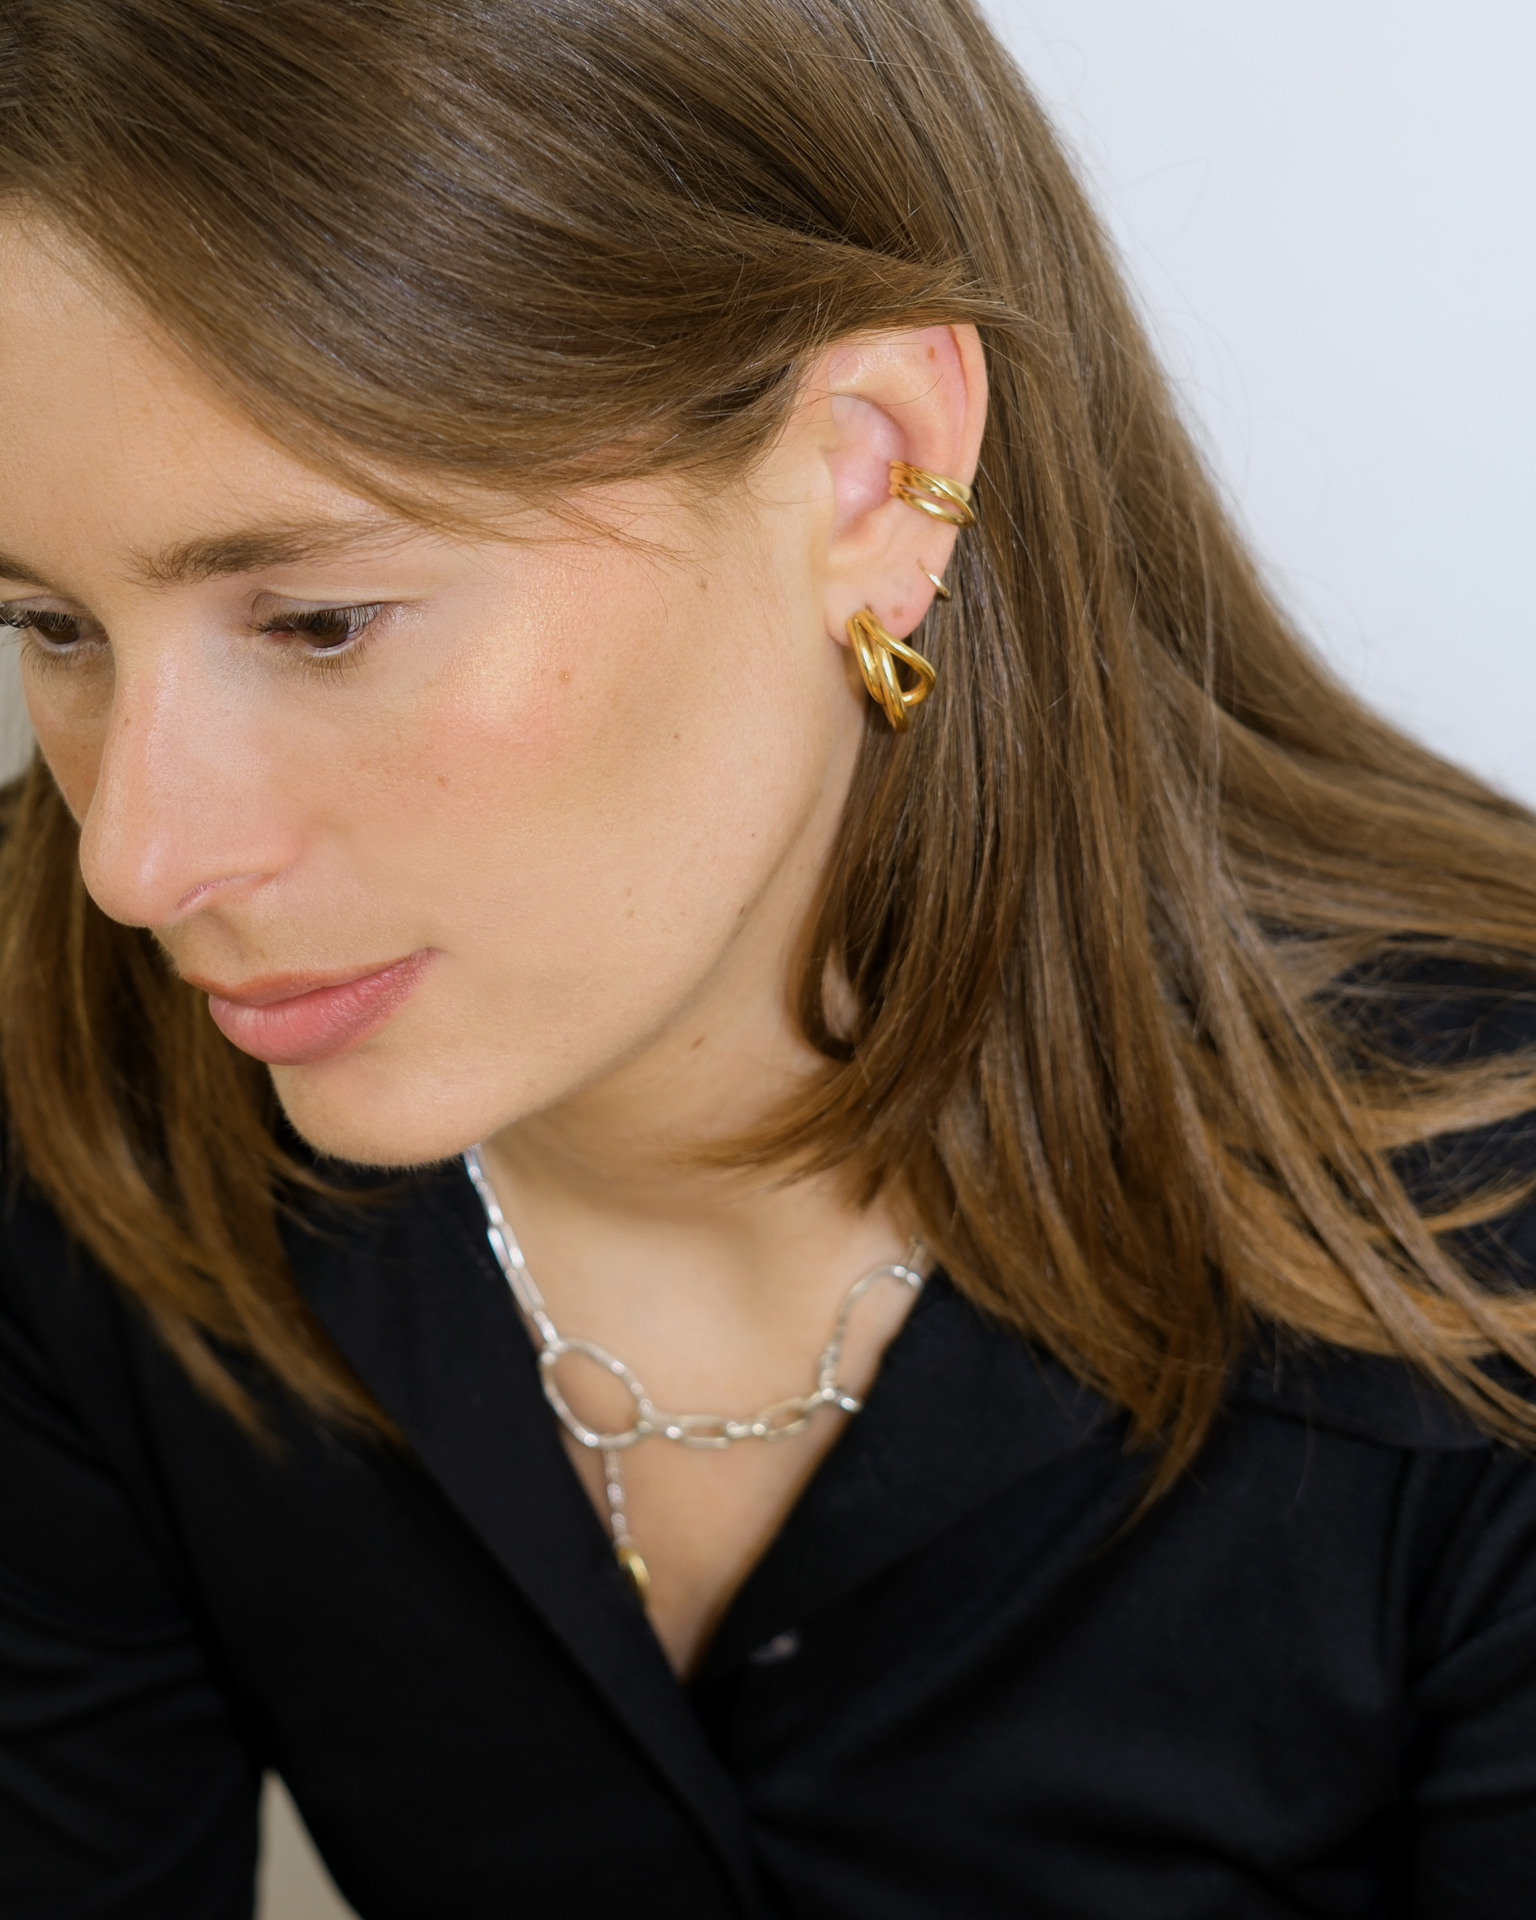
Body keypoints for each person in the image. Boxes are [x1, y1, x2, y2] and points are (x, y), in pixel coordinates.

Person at [1, 2, 1534, 1914]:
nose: (137, 861)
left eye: (320, 623)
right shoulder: (62, 1065)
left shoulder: (1484, 1227)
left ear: (871, 478)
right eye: (50, 629)